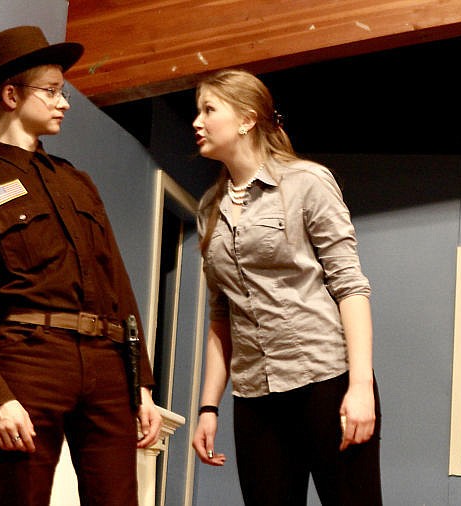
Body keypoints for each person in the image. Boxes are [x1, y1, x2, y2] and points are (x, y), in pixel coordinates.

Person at [0, 25, 161, 506]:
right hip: (32, 359)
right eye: (53, 91)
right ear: (11, 95)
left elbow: (117, 283)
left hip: (106, 361)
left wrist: (140, 383)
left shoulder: (78, 182)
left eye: (63, 92)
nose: (64, 103)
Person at [190, 68, 383, 506]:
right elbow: (221, 313)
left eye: (209, 110)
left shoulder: (306, 182)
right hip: (255, 396)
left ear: (246, 119)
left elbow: (350, 286)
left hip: (325, 380)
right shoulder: (209, 208)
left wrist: (360, 387)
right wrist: (208, 407)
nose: (197, 122)